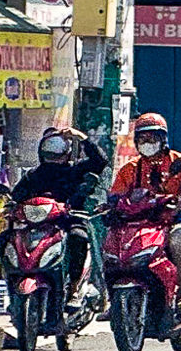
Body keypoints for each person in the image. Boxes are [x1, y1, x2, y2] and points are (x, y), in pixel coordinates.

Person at [110, 113, 181, 313]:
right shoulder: (129, 169)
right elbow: (116, 195)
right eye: (143, 139)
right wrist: (112, 207)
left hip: (177, 220)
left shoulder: (180, 162)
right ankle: (113, 301)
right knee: (113, 245)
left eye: (153, 138)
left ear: (163, 139)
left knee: (179, 242)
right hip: (141, 223)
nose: (148, 143)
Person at [7, 127, 109, 302]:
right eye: (50, 150)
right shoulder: (33, 175)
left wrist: (82, 138)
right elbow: (16, 196)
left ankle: (75, 285)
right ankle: (12, 285)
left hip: (67, 221)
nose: (54, 156)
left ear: (67, 153)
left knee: (79, 237)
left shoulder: (74, 171)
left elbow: (100, 161)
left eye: (58, 151)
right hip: (37, 225)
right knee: (5, 239)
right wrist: (11, 207)